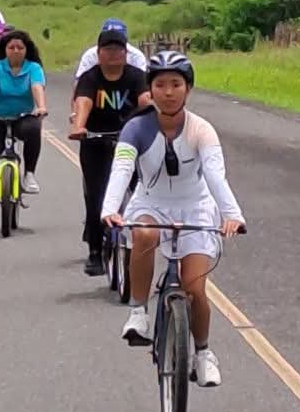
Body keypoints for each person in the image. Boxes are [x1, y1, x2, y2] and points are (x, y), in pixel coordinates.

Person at [101, 50, 246, 388]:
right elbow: (122, 169)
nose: (168, 92)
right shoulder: (135, 129)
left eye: (176, 84)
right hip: (150, 204)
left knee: (194, 288)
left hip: (195, 207)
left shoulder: (202, 130)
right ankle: (138, 312)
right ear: (150, 90)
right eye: (160, 85)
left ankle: (203, 353)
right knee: (144, 234)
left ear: (188, 89)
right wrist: (110, 209)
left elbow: (215, 176)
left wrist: (232, 215)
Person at [70, 28, 150, 275]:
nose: (114, 54)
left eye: (118, 49)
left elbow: (146, 100)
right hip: (96, 141)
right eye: (108, 49)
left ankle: (141, 245)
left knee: (141, 193)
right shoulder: (90, 78)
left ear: (126, 53)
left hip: (132, 141)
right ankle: (95, 252)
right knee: (97, 197)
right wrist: (79, 126)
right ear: (99, 53)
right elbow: (83, 101)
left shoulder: (137, 76)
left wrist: (154, 118)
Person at [0, 30, 47, 212]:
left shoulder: (33, 68)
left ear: (26, 50)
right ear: (4, 50)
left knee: (33, 128)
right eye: (11, 47)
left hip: (22, 117)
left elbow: (37, 87)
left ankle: (29, 174)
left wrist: (41, 107)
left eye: (20, 47)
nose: (15, 51)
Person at [74, 18, 148, 79]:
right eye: (108, 41)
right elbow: (79, 83)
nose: (113, 50)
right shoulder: (90, 56)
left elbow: (143, 83)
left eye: (118, 41)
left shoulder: (136, 56)